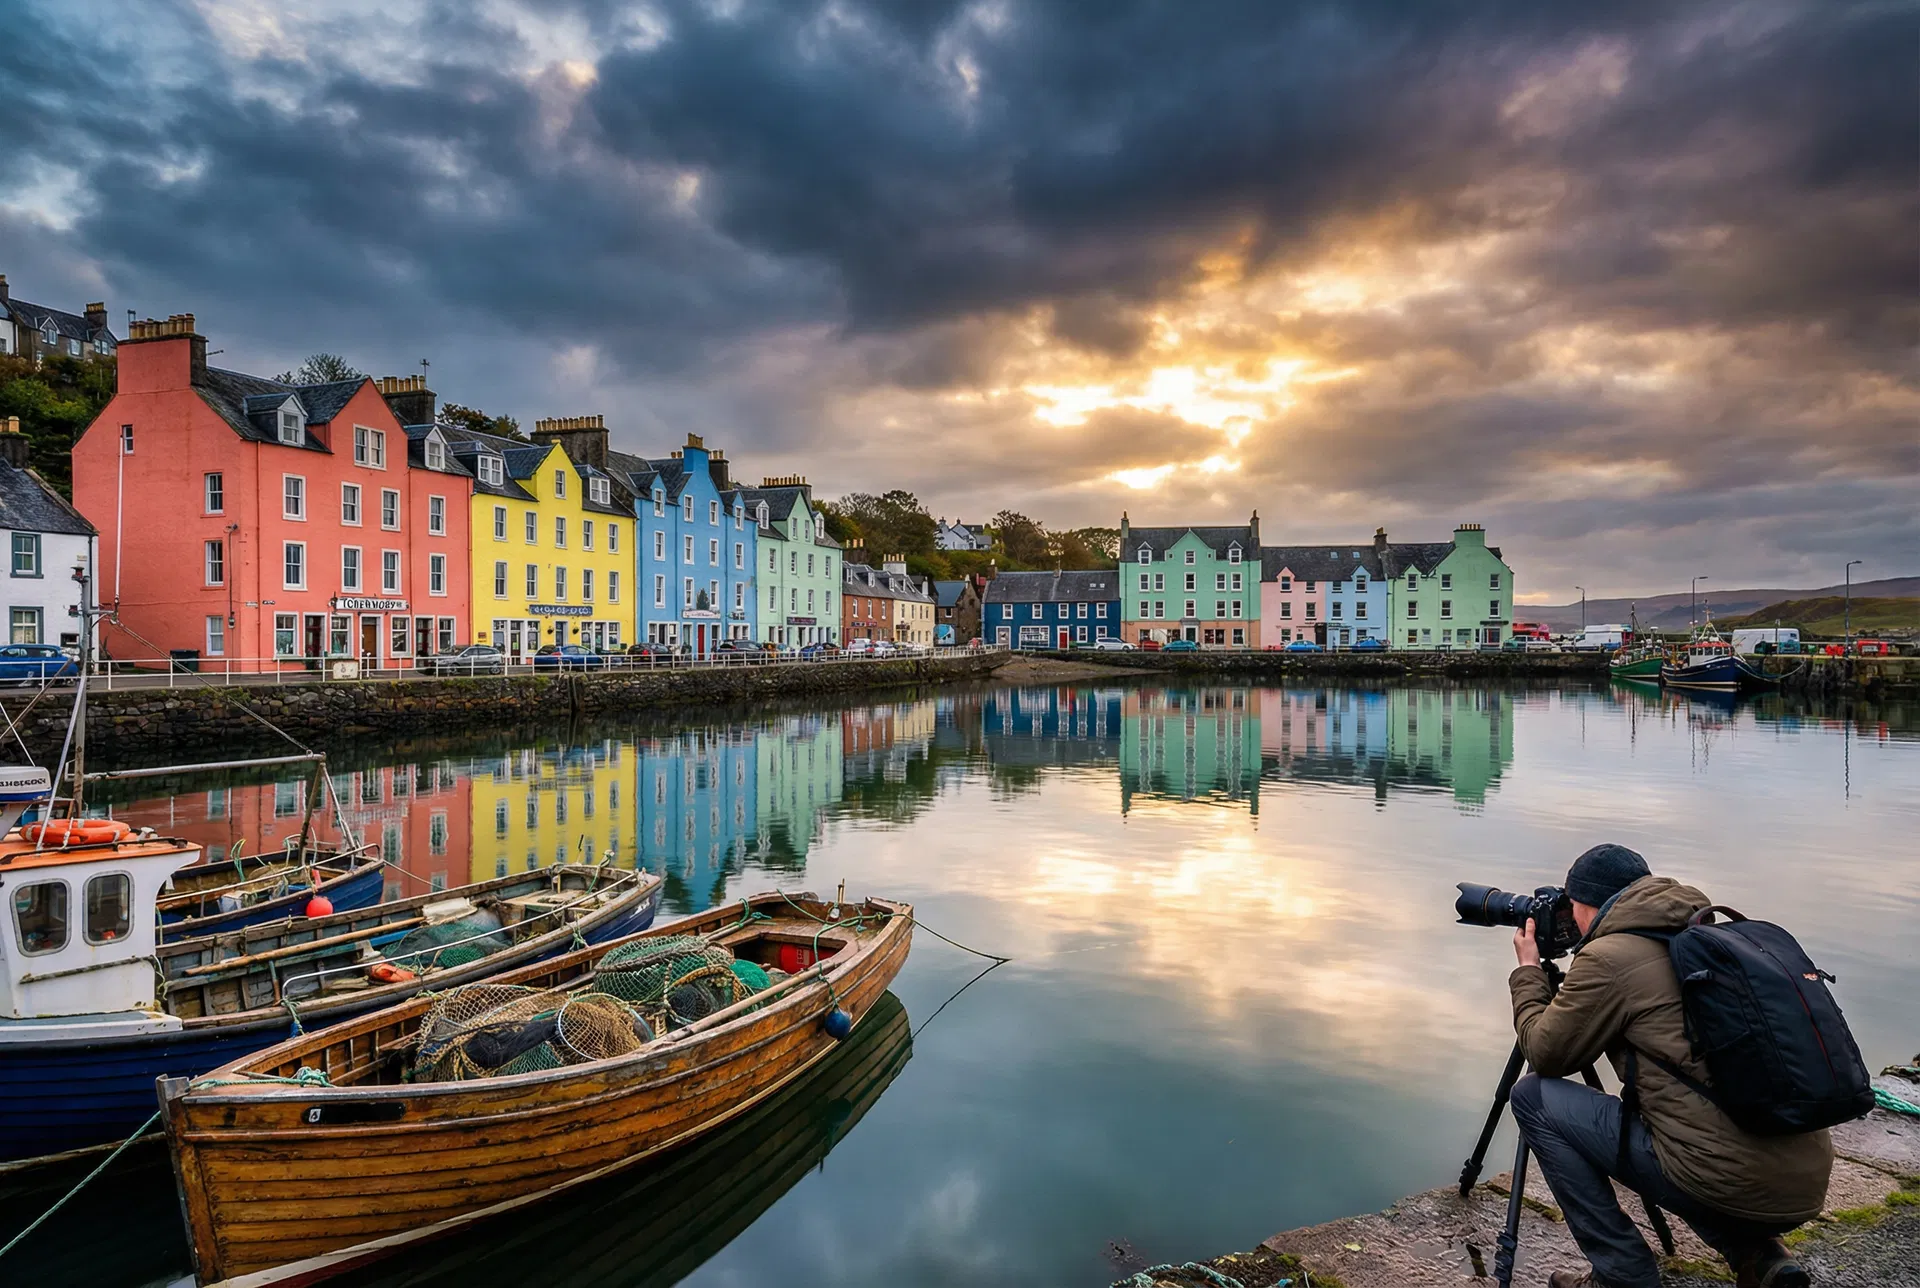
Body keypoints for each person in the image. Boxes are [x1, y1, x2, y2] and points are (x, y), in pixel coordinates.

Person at [1506, 844, 1831, 1288]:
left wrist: (1528, 972)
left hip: (1722, 1180)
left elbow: (1546, 1054)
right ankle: (1757, 1254)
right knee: (1689, 1116)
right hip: (1806, 1182)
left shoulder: (1608, 957)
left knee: (1533, 1098)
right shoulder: (1711, 938)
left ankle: (1622, 1275)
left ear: (1586, 904)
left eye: (1571, 906)